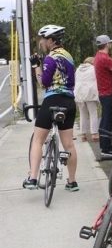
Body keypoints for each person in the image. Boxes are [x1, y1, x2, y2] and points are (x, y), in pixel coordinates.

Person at [24, 25, 79, 191]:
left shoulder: (50, 58)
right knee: (69, 144)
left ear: (51, 40)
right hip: (69, 101)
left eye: (43, 38)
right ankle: (72, 181)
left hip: (52, 100)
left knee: (38, 139)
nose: (41, 42)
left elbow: (43, 83)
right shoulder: (69, 57)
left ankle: (33, 178)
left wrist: (36, 66)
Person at [74, 56, 99, 142]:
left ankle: (83, 135)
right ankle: (94, 134)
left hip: (79, 93)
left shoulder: (78, 69)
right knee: (93, 113)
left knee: (83, 114)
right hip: (90, 92)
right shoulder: (93, 69)